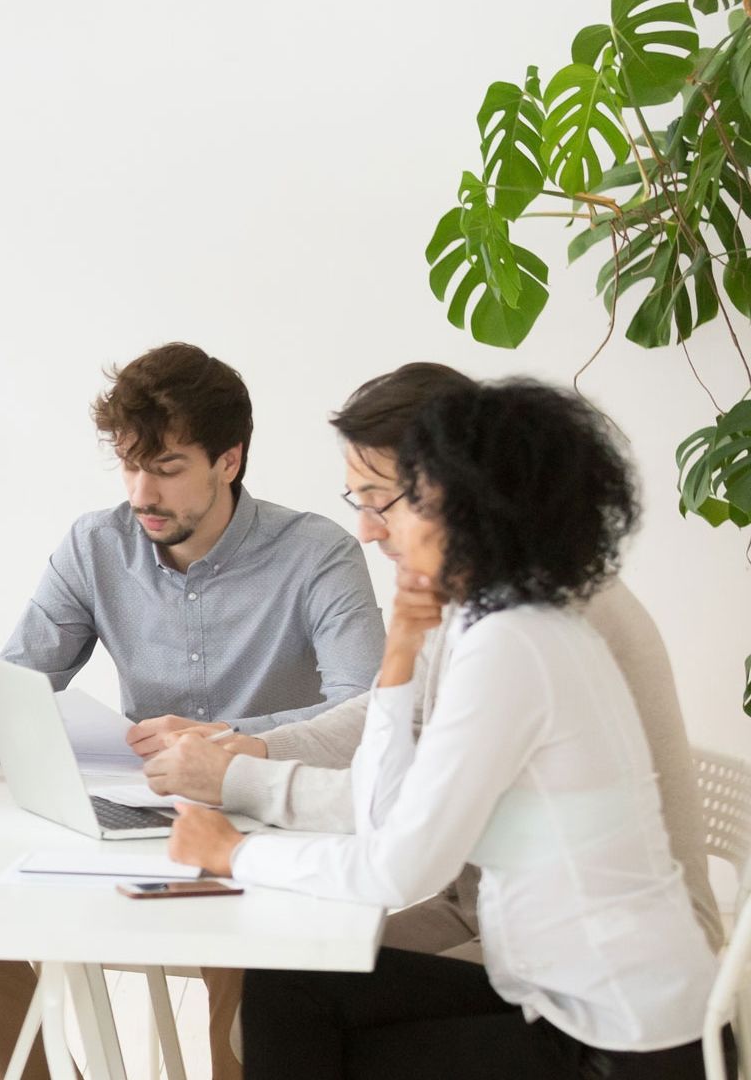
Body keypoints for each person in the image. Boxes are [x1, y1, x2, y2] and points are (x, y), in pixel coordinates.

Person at [169, 378, 718, 1078]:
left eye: (383, 503)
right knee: (289, 987)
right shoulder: (486, 614)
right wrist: (397, 662)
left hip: (624, 1044)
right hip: (554, 1000)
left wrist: (234, 853)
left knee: (330, 1042)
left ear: (462, 502)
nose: (367, 528)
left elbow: (399, 868)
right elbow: (384, 812)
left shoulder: (517, 642)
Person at [0, 342, 385, 1080]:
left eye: (168, 469)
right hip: (132, 820)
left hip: (262, 825)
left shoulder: (318, 555)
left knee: (250, 955)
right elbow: (21, 677)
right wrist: (1, 722)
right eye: (130, 464)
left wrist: (230, 743)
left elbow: (367, 710)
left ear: (228, 462)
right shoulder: (96, 544)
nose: (142, 492)